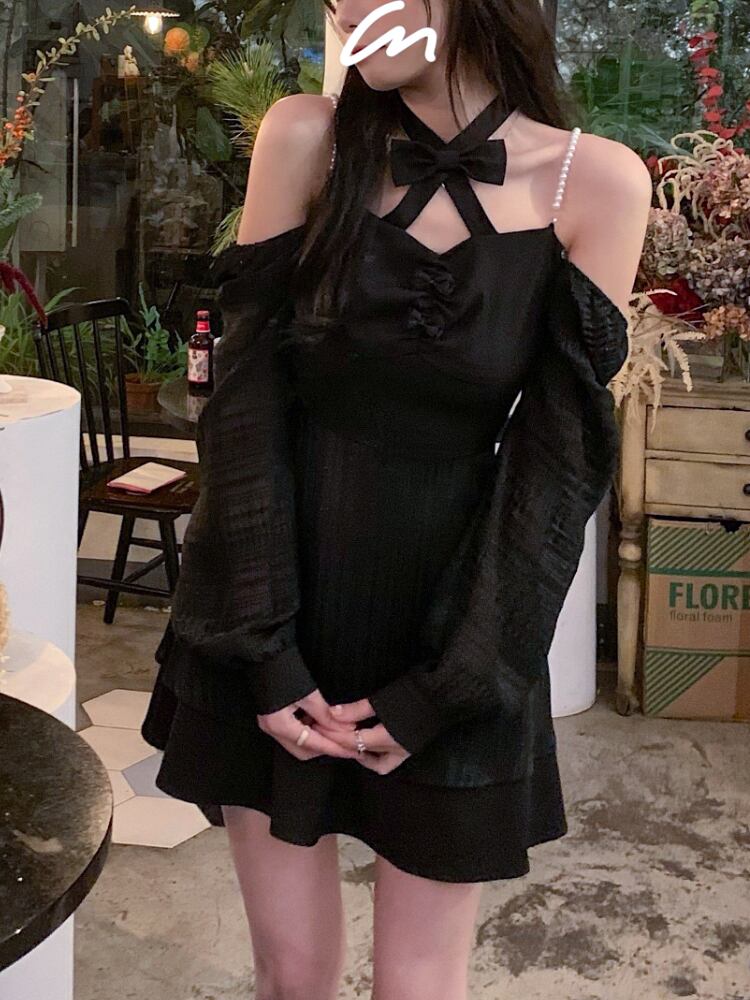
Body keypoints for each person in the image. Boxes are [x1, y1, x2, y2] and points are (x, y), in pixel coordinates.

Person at [141, 0, 651, 996]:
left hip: (456, 626)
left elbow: (555, 472)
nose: (348, 8)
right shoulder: (306, 137)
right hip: (269, 599)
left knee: (418, 982)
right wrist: (265, 649)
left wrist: (451, 687)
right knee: (292, 976)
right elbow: (242, 406)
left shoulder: (594, 183)